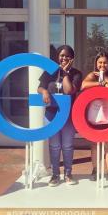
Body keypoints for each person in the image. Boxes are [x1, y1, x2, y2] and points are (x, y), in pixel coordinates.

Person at [38, 45, 82, 186]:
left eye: (67, 56)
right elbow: (39, 87)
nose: (64, 58)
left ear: (72, 58)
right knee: (54, 146)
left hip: (68, 115)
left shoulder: (76, 74)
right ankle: (55, 175)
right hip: (51, 114)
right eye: (62, 55)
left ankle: (68, 174)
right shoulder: (50, 71)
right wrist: (44, 92)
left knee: (68, 146)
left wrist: (65, 73)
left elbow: (69, 91)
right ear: (58, 56)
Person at [81, 52, 108, 185]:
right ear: (96, 63)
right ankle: (95, 170)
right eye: (100, 62)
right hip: (94, 115)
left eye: (105, 62)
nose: (102, 65)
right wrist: (98, 84)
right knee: (94, 144)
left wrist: (105, 79)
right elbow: (83, 85)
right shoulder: (91, 75)